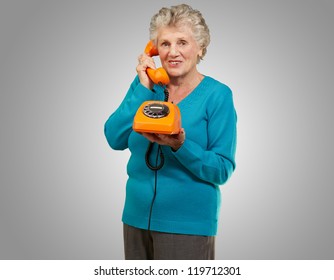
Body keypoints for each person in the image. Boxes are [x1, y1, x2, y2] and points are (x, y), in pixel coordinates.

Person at [104, 4, 237, 260]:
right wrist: (143, 86)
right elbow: (114, 137)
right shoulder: (146, 87)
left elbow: (222, 169)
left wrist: (180, 145)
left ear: (200, 48)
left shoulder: (218, 95)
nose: (172, 52)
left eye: (183, 42)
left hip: (188, 226)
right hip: (135, 220)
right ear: (154, 49)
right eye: (164, 44)